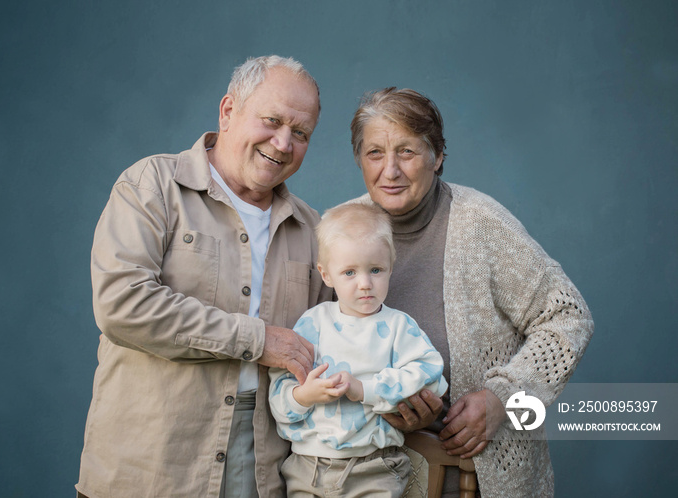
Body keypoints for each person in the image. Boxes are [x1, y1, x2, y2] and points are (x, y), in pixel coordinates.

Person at [76, 55, 333, 498]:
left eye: (301, 133)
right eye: (271, 120)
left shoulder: (314, 230)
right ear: (228, 111)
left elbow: (339, 335)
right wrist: (259, 340)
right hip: (150, 466)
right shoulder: (152, 186)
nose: (283, 142)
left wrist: (402, 388)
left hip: (263, 471)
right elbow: (122, 304)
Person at [347, 88, 594, 497]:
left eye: (406, 152)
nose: (389, 171)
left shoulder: (480, 224)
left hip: (481, 479)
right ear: (360, 159)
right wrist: (383, 408)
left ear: (437, 156)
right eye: (375, 153)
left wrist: (503, 398)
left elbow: (568, 315)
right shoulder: (343, 230)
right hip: (372, 478)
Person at [268, 203, 448, 497]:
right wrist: (304, 395)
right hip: (308, 468)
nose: (365, 284)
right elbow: (279, 400)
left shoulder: (399, 327)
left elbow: (430, 375)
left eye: (376, 270)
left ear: (390, 266)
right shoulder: (312, 324)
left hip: (374, 468)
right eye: (349, 272)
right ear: (327, 275)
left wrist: (364, 389)